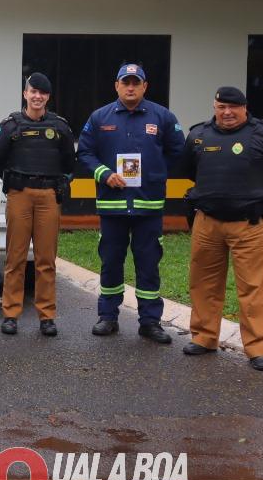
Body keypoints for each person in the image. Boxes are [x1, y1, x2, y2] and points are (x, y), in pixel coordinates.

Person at [178, 86, 263, 372]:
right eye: (222, 107)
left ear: (245, 108)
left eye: (234, 107)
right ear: (215, 107)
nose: (227, 112)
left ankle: (258, 348)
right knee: (203, 283)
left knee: (253, 286)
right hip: (207, 222)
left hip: (251, 224)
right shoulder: (198, 135)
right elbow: (188, 169)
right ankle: (204, 337)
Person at [76, 63, 185, 343]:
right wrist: (104, 174)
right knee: (111, 262)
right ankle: (108, 317)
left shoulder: (162, 116)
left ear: (145, 86)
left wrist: (155, 173)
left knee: (148, 264)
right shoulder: (100, 117)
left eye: (136, 82)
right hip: (112, 206)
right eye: (126, 82)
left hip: (148, 205)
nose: (131, 87)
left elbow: (177, 151)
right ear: (117, 86)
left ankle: (150, 322)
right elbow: (85, 152)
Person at [0, 72, 76, 337]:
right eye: (33, 92)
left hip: (48, 196)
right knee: (15, 257)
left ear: (48, 97)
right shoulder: (10, 126)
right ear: (25, 94)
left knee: (45, 259)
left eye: (42, 93)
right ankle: (10, 314)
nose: (37, 97)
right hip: (19, 194)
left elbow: (69, 163)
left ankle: (47, 316)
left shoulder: (60, 127)